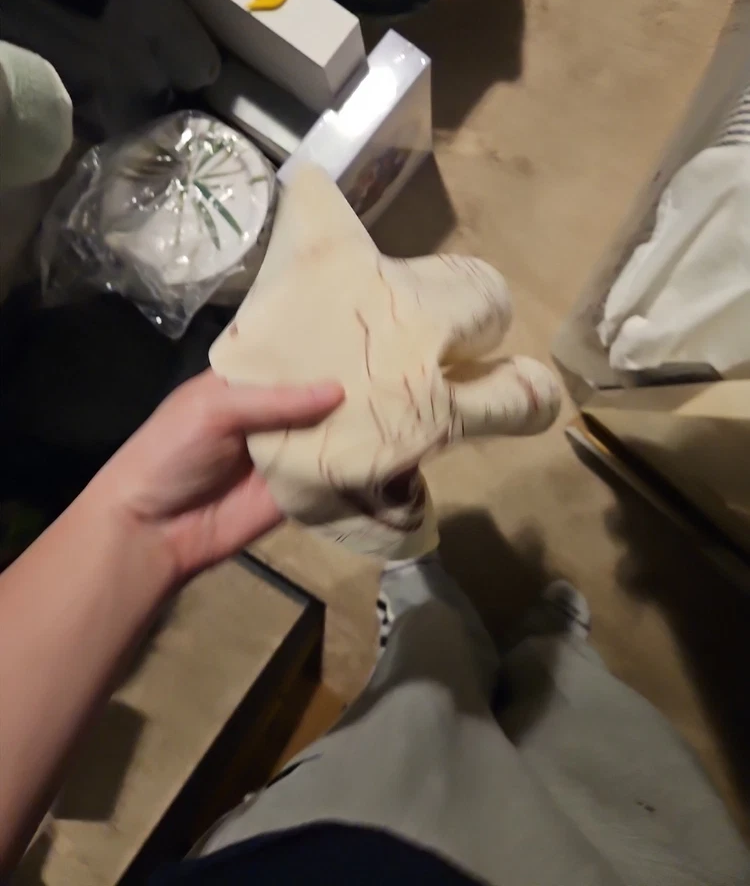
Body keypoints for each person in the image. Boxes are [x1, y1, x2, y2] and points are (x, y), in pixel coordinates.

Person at [0, 370, 747, 885]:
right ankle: (542, 661)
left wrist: (140, 524)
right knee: (605, 790)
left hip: (299, 856)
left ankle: (440, 636)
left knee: (407, 724)